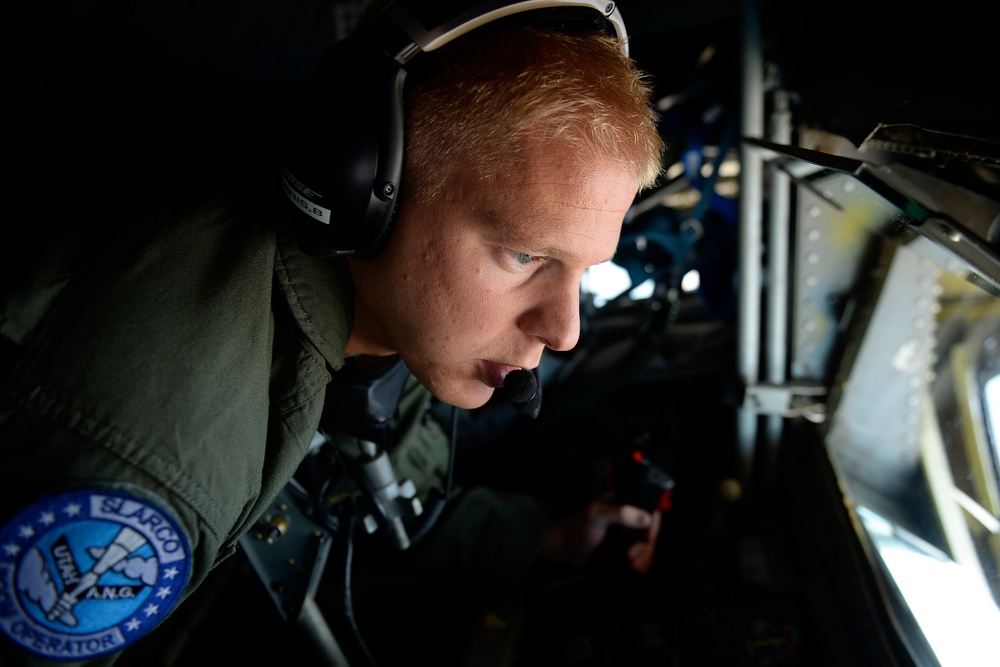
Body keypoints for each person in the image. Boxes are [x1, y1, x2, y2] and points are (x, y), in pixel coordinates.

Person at [1, 1, 665, 665]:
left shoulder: (372, 315)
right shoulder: (160, 455)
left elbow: (392, 476)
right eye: (524, 256)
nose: (566, 330)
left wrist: (544, 538)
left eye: (580, 271)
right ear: (366, 187)